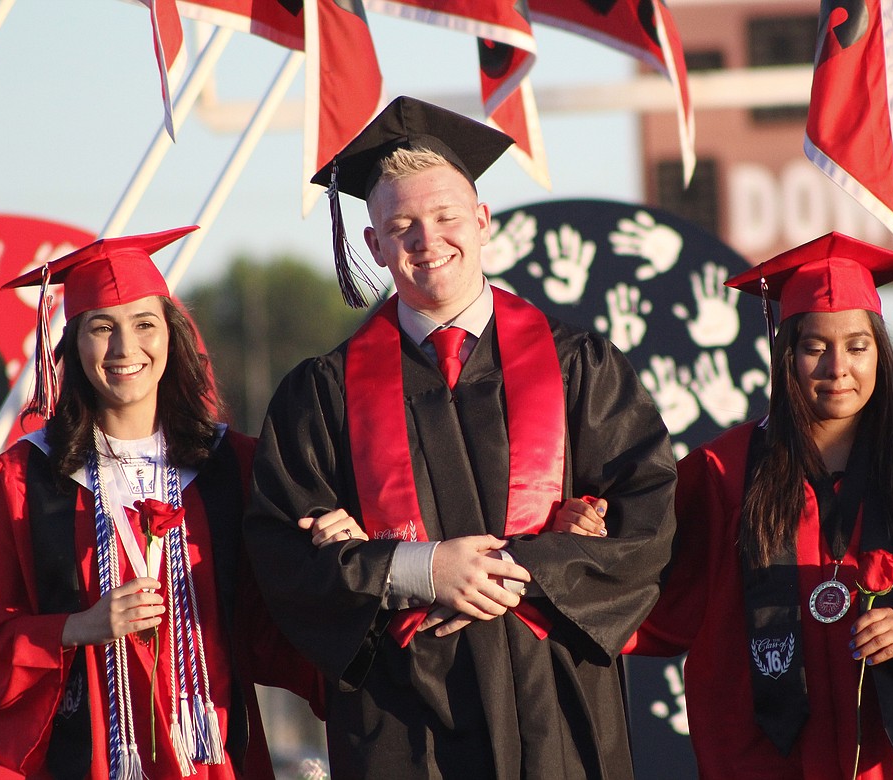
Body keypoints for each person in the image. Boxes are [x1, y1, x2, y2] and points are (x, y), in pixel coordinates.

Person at [244, 96, 678, 780]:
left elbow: (646, 511)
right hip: (401, 718)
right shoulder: (320, 396)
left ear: (481, 221)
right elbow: (282, 557)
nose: (427, 241)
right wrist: (421, 569)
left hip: (553, 703)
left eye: (446, 217)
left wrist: (528, 570)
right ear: (374, 245)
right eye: (402, 226)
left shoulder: (578, 368)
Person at [557, 232, 893, 779]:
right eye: (816, 347)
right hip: (760, 757)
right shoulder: (723, 473)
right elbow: (653, 586)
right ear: (785, 353)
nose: (838, 368)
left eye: (858, 347)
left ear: (880, 353)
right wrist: (595, 548)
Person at [0, 227, 327, 778]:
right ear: (72, 343)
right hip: (93, 757)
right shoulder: (21, 480)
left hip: (216, 752)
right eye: (102, 328)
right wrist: (74, 627)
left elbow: (283, 610)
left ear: (173, 336)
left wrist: (330, 540)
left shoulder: (233, 465)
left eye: (145, 324)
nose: (126, 350)